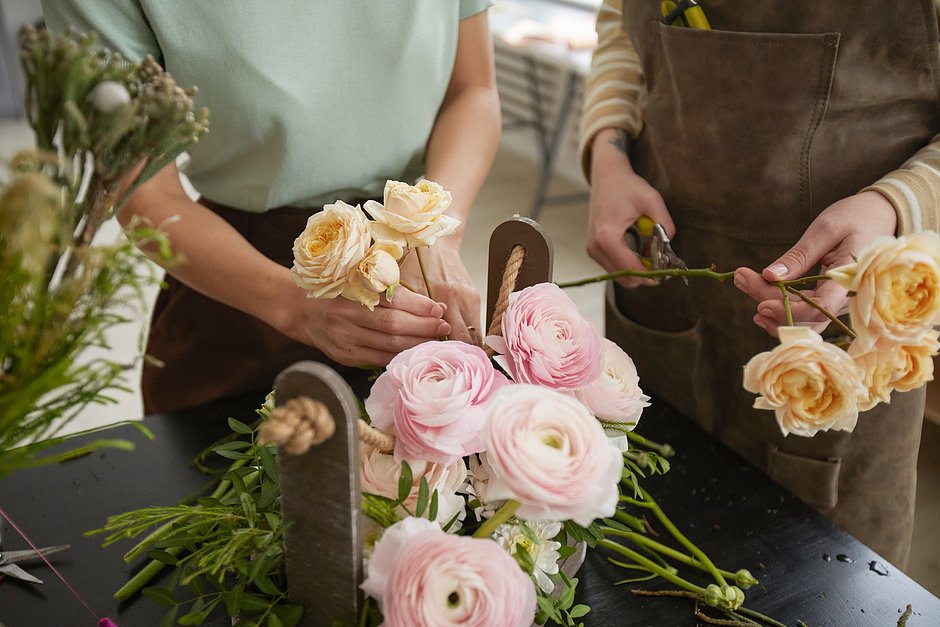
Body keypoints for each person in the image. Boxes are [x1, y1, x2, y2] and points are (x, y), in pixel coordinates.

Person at [579, 0, 940, 567]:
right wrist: (607, 151)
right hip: (663, 299)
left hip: (842, 331)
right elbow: (622, 29)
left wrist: (895, 206)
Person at [41, 2, 501, 414]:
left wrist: (434, 228)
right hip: (241, 279)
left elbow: (473, 90)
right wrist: (294, 307)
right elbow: (143, 189)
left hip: (413, 262)